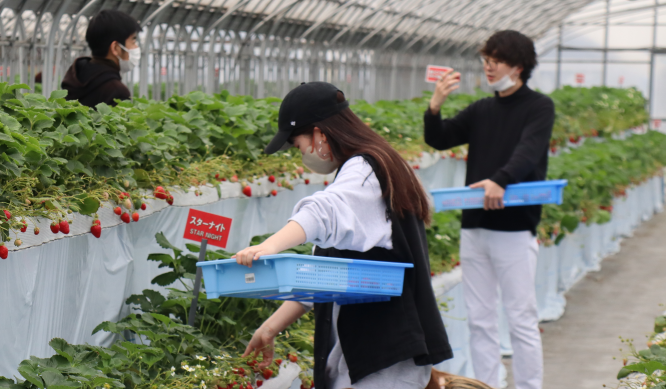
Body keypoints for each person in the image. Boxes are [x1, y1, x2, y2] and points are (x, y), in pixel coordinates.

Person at [233, 81, 453, 389]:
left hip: (384, 359)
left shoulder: (366, 170)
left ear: (320, 134)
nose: (301, 155)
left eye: (298, 145)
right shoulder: (371, 167)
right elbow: (321, 275)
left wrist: (268, 246)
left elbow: (323, 212)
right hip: (370, 356)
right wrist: (270, 328)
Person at [423, 30, 555, 389]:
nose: (488, 68)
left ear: (519, 65)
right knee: (480, 319)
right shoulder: (483, 109)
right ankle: (486, 386)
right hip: (475, 227)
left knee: (521, 317)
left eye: (495, 61)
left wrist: (500, 179)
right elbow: (440, 137)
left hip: (514, 229)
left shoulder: (539, 107)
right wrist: (434, 107)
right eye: (485, 61)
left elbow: (528, 152)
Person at [61, 10, 141, 108]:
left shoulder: (74, 77)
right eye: (133, 41)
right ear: (115, 48)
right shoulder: (117, 91)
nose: (136, 47)